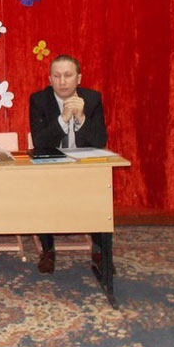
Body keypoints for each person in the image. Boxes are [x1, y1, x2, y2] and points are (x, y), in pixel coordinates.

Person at [29, 54, 107, 274]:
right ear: (50, 79)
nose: (62, 81)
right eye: (57, 76)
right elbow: (40, 141)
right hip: (51, 167)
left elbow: (99, 141)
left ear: (78, 78)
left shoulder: (92, 99)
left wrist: (81, 118)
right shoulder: (39, 100)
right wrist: (63, 119)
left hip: (84, 168)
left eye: (68, 75)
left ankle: (99, 252)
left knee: (100, 190)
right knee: (40, 190)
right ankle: (48, 250)